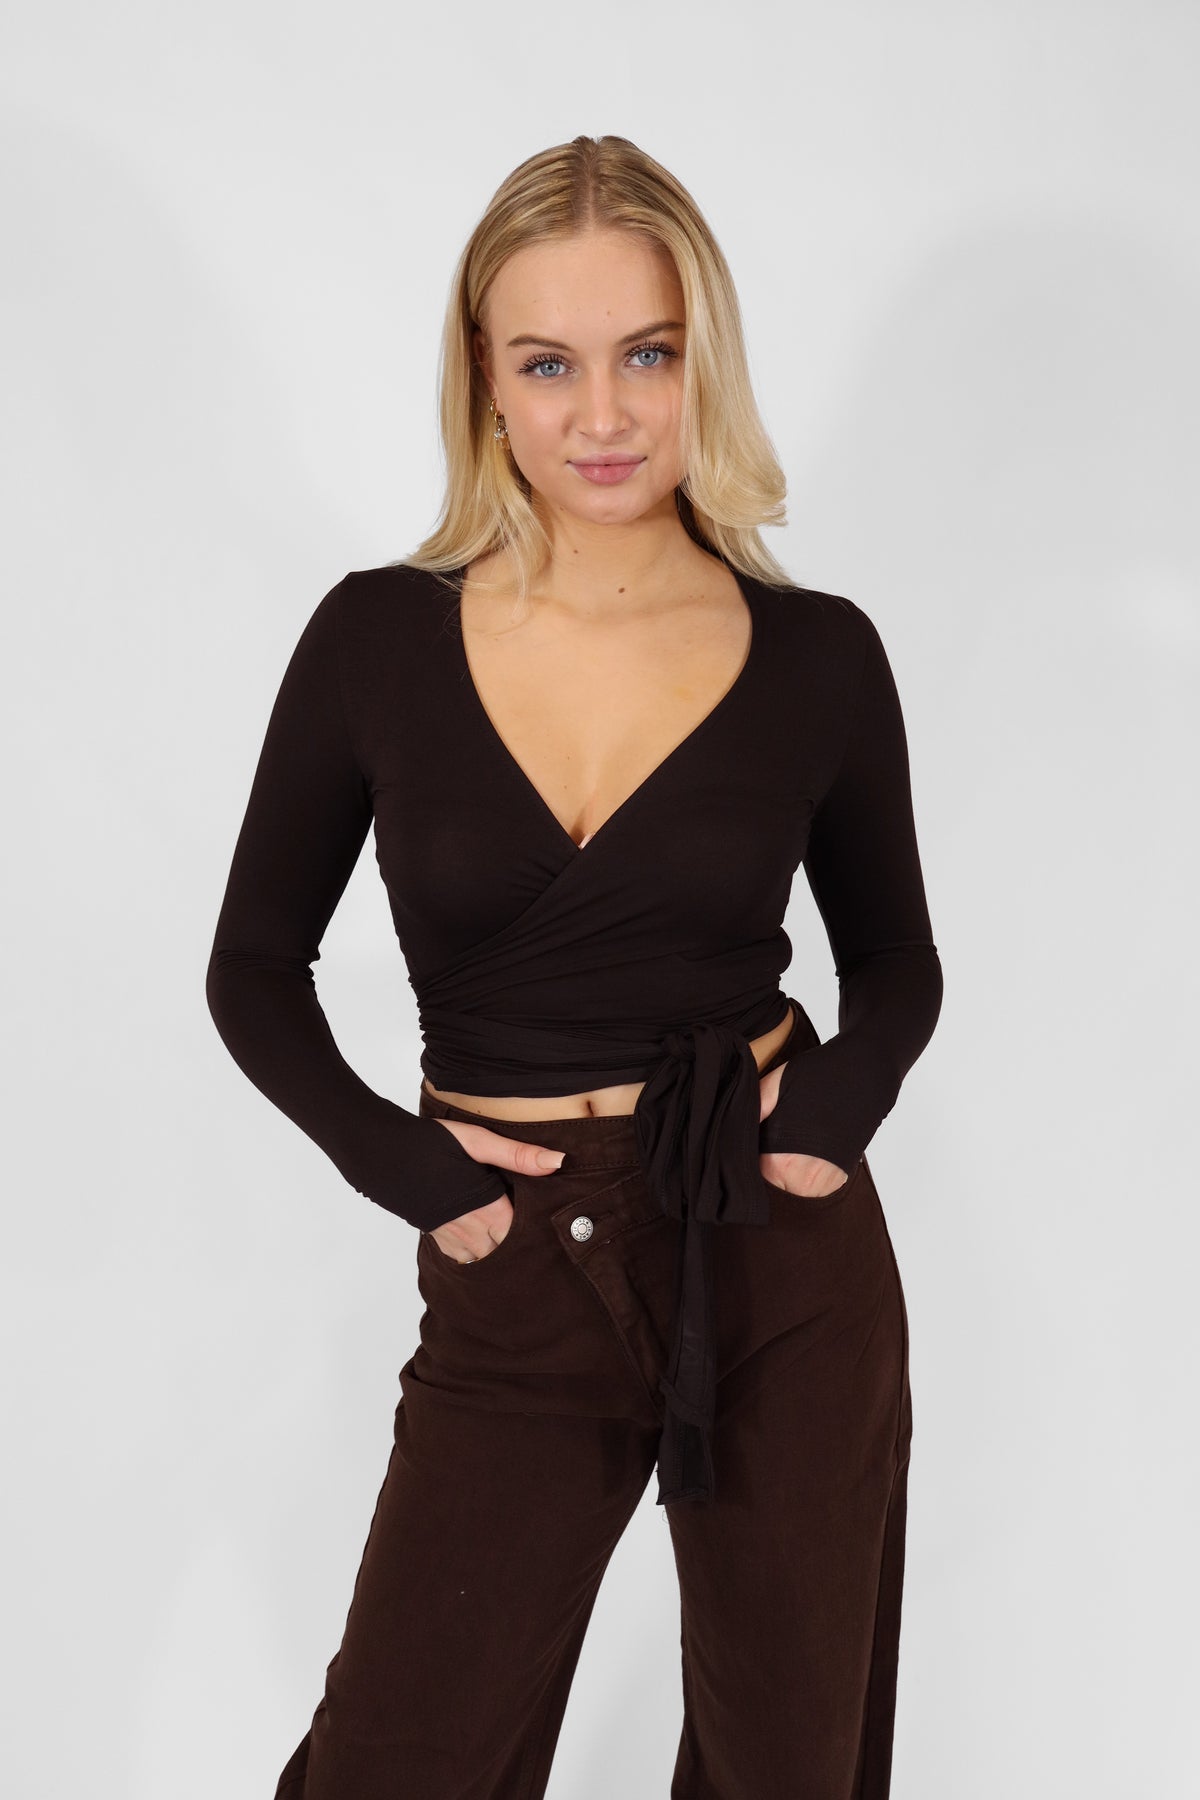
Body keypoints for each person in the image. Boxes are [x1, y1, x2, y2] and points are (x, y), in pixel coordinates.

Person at [206, 133, 943, 1800]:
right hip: (519, 1262)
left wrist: (831, 1116)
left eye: (647, 356)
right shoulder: (375, 640)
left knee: (788, 1766)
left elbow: (898, 964)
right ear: (483, 371)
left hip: (776, 1252)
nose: (602, 416)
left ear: (705, 360)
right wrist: (406, 1168)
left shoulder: (819, 655)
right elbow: (253, 965)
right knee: (401, 1757)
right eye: (549, 363)